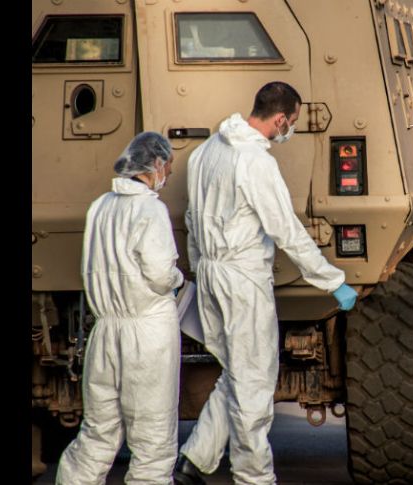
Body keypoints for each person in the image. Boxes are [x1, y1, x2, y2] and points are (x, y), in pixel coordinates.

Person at [173, 81, 357, 485]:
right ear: (280, 119)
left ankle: (195, 460)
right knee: (254, 383)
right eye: (292, 122)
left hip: (211, 276)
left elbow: (190, 220)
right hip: (242, 280)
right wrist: (332, 280)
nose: (291, 129)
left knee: (237, 374)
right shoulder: (255, 161)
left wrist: (202, 271)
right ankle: (254, 477)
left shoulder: (206, 152)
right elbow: (285, 229)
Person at [56, 132, 184, 484]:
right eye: (168, 166)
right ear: (155, 163)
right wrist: (179, 278)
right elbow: (160, 274)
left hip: (105, 332)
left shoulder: (100, 206)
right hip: (147, 335)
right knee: (153, 441)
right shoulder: (150, 209)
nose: (169, 174)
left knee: (98, 433)